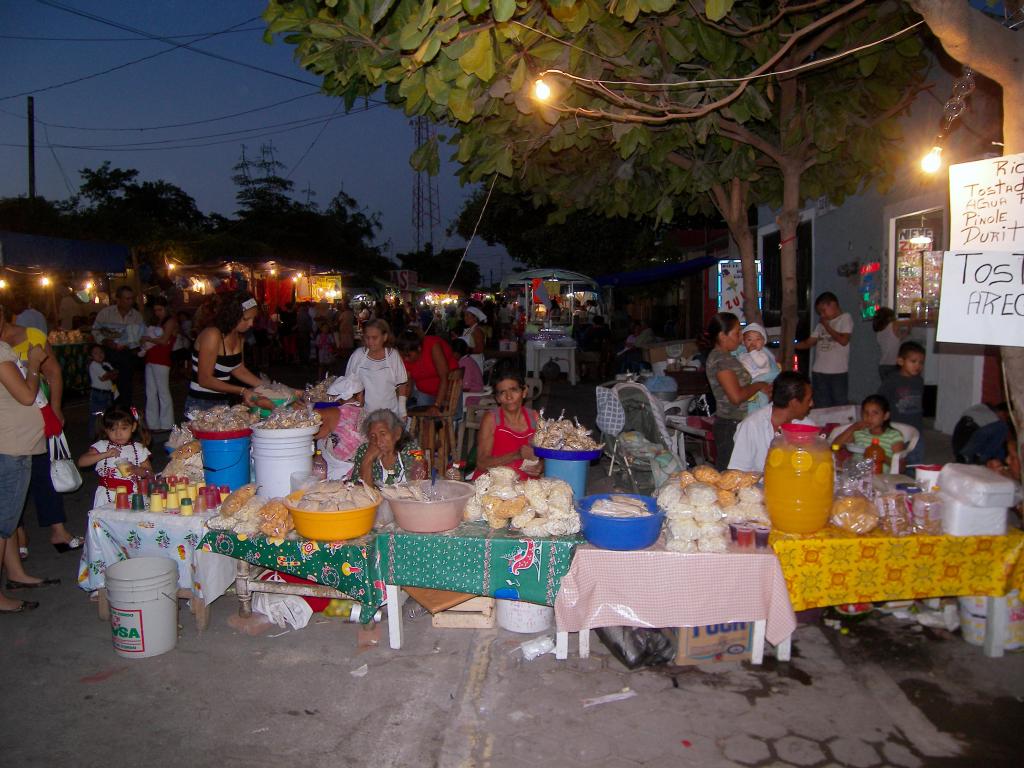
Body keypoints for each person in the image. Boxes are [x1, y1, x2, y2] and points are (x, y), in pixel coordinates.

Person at [1, 304, 79, 555]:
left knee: (43, 472)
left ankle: (56, 530)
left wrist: (56, 409)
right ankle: (15, 535)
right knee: (10, 483)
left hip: (33, 417)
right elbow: (24, 392)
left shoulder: (30, 336)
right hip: (9, 425)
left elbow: (54, 372)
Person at [0, 337, 62, 612]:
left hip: (11, 444)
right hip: (9, 447)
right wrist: (34, 365)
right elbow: (26, 395)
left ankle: (15, 573)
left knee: (8, 520)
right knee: (2, 524)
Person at [704, 312, 772, 470]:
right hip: (730, 424)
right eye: (736, 333)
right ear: (722, 336)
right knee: (730, 475)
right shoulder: (721, 360)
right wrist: (759, 385)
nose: (740, 337)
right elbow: (736, 397)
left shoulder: (729, 356)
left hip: (737, 422)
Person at [185, 292, 267, 413]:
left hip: (222, 403)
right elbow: (205, 379)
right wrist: (242, 391)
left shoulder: (239, 337)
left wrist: (269, 387)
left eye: (253, 318)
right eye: (247, 319)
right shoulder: (212, 334)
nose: (251, 324)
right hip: (200, 405)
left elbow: (239, 369)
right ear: (233, 315)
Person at [728, 372, 815, 472]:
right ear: (794, 403)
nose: (812, 404)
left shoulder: (807, 426)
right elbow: (738, 474)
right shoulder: (752, 426)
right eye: (808, 400)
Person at [473, 364, 542, 480]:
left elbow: (546, 456)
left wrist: (542, 466)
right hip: (493, 486)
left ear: (524, 391)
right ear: (497, 398)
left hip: (528, 487)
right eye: (502, 392)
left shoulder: (535, 418)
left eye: (513, 390)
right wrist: (516, 455)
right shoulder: (491, 419)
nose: (509, 397)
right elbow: (481, 463)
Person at [77, 405, 153, 508]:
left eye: (124, 428)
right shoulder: (102, 446)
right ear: (106, 430)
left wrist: (137, 470)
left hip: (131, 495)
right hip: (106, 495)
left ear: (133, 427)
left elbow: (149, 473)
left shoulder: (139, 449)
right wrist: (105, 454)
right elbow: (81, 462)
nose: (118, 434)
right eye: (113, 429)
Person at [795, 292, 853, 408]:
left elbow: (843, 340)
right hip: (819, 371)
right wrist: (792, 346)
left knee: (839, 404)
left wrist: (827, 326)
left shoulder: (845, 318)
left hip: (838, 372)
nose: (822, 315)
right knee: (822, 404)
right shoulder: (821, 325)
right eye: (820, 312)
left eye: (823, 310)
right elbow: (809, 342)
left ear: (833, 305)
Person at [93, 286, 145, 406]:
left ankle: (125, 413)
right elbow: (95, 330)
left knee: (126, 386)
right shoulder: (106, 313)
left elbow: (141, 336)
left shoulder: (136, 316)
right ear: (118, 299)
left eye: (131, 299)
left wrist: (131, 345)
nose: (130, 302)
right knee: (110, 385)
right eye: (126, 299)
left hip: (127, 354)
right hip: (109, 353)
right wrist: (105, 341)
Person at [345, 318, 408, 417]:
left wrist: (402, 411)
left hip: (390, 413)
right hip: (364, 414)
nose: (370, 342)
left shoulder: (393, 356)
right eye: (367, 337)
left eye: (374, 338)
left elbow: (402, 384)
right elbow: (348, 385)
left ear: (385, 337)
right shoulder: (358, 355)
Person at [877, 340, 925, 466]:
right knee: (897, 459)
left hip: (916, 427)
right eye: (913, 361)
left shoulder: (919, 381)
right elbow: (881, 401)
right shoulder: (892, 380)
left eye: (921, 362)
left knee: (915, 460)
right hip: (897, 427)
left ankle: (913, 479)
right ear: (900, 361)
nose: (917, 366)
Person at [351, 408, 425, 487]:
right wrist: (367, 460)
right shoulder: (364, 451)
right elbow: (358, 489)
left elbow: (419, 485)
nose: (378, 441)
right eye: (373, 436)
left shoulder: (414, 451)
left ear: (397, 433)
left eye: (383, 434)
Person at [832, 395, 905, 472]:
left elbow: (901, 468)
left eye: (875, 413)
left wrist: (881, 456)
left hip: (880, 477)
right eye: (866, 413)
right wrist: (853, 427)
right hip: (856, 474)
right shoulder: (859, 433)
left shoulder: (893, 436)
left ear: (885, 416)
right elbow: (834, 446)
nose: (869, 417)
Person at [314, 376, 365, 480]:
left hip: (336, 477)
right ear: (360, 395)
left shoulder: (331, 413)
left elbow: (303, 423)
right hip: (362, 474)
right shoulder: (368, 414)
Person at [396, 328, 458, 410]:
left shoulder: (433, 346)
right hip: (425, 392)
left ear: (419, 348)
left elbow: (444, 378)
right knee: (422, 415)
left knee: (435, 415)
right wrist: (400, 405)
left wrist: (436, 405)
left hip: (449, 390)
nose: (406, 359)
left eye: (408, 355)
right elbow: (407, 385)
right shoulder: (403, 356)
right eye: (403, 356)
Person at [140, 297, 178, 432]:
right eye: (155, 310)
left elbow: (164, 340)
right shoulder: (159, 321)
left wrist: (149, 339)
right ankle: (153, 423)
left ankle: (167, 423)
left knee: (162, 391)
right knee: (150, 392)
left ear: (166, 308)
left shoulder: (170, 321)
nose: (157, 313)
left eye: (160, 309)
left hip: (161, 359)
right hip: (152, 357)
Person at [736, 322, 779, 414]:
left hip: (762, 384)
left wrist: (753, 353)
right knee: (750, 407)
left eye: (758, 339)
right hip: (749, 385)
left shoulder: (762, 354)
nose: (753, 343)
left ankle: (762, 415)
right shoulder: (742, 355)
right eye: (749, 340)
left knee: (762, 405)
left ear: (763, 342)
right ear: (744, 342)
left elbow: (761, 363)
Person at [872, 307, 911, 381]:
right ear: (890, 317)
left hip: (883, 365)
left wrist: (907, 331)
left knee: (888, 390)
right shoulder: (894, 325)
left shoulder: (879, 331)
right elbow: (911, 322)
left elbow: (897, 339)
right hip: (893, 365)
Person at [87, 343, 117, 439]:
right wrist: (111, 373)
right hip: (98, 393)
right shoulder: (94, 365)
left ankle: (105, 435)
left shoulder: (106, 364)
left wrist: (111, 374)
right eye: (95, 353)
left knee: (108, 415)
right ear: (91, 356)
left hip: (108, 393)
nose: (99, 355)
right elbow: (104, 377)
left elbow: (115, 375)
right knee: (96, 415)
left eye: (101, 352)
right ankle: (94, 436)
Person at [452, 338, 484, 405]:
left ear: (456, 353)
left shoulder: (465, 363)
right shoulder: (467, 360)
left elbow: (466, 387)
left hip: (471, 397)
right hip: (472, 394)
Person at [462, 306, 487, 372]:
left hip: (475, 362)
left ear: (475, 318)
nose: (465, 318)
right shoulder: (470, 330)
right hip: (469, 361)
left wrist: (465, 350)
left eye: (467, 316)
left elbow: (480, 349)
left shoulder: (477, 331)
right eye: (464, 316)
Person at [337, 299, 356, 367]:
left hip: (344, 331)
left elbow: (339, 322)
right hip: (349, 331)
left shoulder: (344, 314)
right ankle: (349, 358)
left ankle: (346, 359)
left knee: (345, 346)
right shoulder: (350, 313)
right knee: (349, 345)